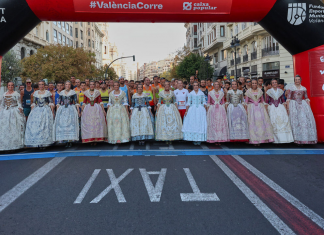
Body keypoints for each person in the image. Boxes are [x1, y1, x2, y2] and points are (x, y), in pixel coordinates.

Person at [286, 75, 317, 144]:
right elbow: (288, 99)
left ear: (300, 80)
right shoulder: (291, 88)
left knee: (304, 121)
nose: (297, 81)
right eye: (296, 79)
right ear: (294, 80)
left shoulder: (304, 88)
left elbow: (306, 98)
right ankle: (296, 139)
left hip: (303, 105)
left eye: (298, 79)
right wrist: (288, 109)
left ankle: (304, 138)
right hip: (294, 105)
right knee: (295, 121)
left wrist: (309, 107)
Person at [25, 80, 55, 148]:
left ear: (44, 85)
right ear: (38, 86)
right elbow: (34, 103)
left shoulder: (48, 93)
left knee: (44, 126)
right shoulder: (35, 93)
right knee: (36, 125)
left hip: (45, 109)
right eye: (40, 84)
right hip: (37, 109)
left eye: (42, 84)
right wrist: (31, 112)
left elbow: (51, 103)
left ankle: (44, 142)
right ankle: (37, 142)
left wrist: (52, 112)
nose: (41, 86)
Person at [245, 79, 274, 145]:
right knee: (252, 124)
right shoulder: (248, 92)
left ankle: (261, 139)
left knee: (260, 124)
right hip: (251, 108)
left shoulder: (260, 91)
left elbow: (262, 101)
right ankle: (254, 140)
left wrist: (265, 109)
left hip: (260, 108)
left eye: (255, 83)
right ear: (251, 84)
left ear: (257, 84)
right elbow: (246, 102)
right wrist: (246, 110)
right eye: (253, 83)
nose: (254, 84)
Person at [265, 79, 294, 143]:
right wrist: (266, 111)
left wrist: (286, 109)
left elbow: (283, 101)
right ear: (271, 84)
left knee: (283, 121)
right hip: (272, 107)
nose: (274, 83)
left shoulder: (281, 91)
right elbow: (266, 102)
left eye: (275, 82)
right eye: (273, 83)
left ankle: (283, 139)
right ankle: (275, 139)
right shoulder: (268, 91)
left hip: (280, 107)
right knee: (273, 122)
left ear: (277, 83)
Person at [0, 82, 26, 151]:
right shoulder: (4, 94)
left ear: (13, 86)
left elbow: (19, 103)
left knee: (14, 127)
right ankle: (5, 145)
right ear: (7, 86)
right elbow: (2, 104)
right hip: (5, 113)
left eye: (11, 85)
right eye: (9, 85)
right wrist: (1, 111)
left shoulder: (16, 94)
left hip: (13, 112)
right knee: (5, 128)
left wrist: (20, 109)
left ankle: (14, 145)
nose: (10, 86)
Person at [54, 81, 80, 147]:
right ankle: (65, 140)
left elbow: (76, 102)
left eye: (69, 84)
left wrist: (78, 111)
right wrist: (57, 111)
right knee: (64, 125)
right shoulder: (61, 93)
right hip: (63, 109)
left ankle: (70, 140)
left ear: (70, 85)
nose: (67, 85)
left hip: (71, 108)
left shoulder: (73, 92)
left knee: (71, 125)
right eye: (66, 84)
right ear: (64, 85)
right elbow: (59, 103)